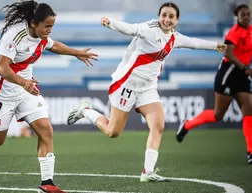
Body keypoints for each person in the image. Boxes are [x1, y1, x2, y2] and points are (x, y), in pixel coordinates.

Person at [0, 1, 98, 192]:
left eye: (52, 26)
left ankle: (47, 183)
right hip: (3, 92)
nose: (50, 30)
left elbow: (53, 45)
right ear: (34, 23)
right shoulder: (14, 36)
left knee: (45, 130)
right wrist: (24, 82)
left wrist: (77, 53)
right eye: (47, 26)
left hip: (26, 90)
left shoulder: (41, 36)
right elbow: (2, 68)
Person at [67, 2, 226, 182]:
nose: (166, 19)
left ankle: (147, 172)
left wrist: (217, 46)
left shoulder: (174, 37)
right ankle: (85, 111)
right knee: (113, 132)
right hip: (126, 84)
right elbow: (130, 29)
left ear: (177, 20)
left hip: (148, 88)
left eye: (171, 16)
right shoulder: (149, 28)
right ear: (159, 16)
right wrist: (110, 23)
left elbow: (194, 43)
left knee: (158, 125)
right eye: (164, 15)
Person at [176, 4, 252, 165]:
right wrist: (244, 67)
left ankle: (250, 152)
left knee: (249, 111)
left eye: (248, 14)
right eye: (243, 15)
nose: (246, 17)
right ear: (236, 17)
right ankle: (187, 125)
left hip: (242, 76)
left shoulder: (250, 30)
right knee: (218, 115)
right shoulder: (234, 33)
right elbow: (228, 53)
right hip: (229, 74)